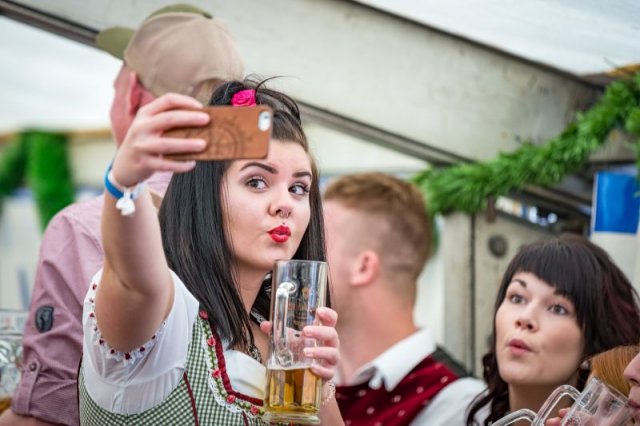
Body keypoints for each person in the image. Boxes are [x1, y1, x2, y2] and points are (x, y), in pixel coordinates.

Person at [0, 5, 244, 425]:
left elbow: (51, 412)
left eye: (117, 86)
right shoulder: (277, 218)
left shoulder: (81, 228)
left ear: (132, 95)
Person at [78, 79, 342, 424]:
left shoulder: (280, 335)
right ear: (203, 196)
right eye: (256, 182)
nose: (285, 205)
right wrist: (125, 181)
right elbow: (133, 281)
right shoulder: (166, 320)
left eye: (298, 188)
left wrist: (320, 385)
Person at [322, 172, 485, 425]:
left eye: (318, 244)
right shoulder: (310, 373)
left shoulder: (462, 406)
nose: (302, 256)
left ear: (363, 268)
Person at [466, 234, 640, 425]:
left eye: (558, 308)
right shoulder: (460, 411)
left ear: (595, 340)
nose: (525, 318)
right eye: (517, 298)